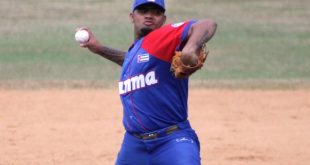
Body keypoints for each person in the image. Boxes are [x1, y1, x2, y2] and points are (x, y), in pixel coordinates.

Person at [77, 0, 217, 164]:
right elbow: (132, 61)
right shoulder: (137, 50)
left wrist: (190, 48)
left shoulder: (163, 38)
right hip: (134, 145)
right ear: (132, 16)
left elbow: (207, 24)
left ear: (163, 19)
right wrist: (99, 48)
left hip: (172, 141)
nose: (149, 15)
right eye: (143, 11)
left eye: (156, 12)